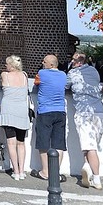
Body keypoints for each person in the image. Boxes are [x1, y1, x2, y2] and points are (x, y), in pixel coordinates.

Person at [66, 51, 103, 189]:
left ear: (77, 62)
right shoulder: (94, 71)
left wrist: (70, 70)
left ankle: (96, 177)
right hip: (99, 111)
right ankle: (87, 169)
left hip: (84, 113)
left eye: (73, 60)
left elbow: (65, 86)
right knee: (89, 145)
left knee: (90, 146)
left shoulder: (72, 74)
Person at [31, 53, 67, 182]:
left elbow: (35, 85)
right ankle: (55, 173)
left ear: (51, 64)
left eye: (45, 61)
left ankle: (45, 172)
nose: (42, 62)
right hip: (60, 111)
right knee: (59, 143)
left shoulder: (42, 73)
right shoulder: (63, 75)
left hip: (45, 111)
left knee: (43, 142)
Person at [0, 55, 30, 180]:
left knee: (11, 143)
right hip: (22, 112)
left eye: (7, 64)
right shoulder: (25, 76)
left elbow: (1, 84)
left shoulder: (4, 75)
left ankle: (15, 171)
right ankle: (22, 171)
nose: (5, 66)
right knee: (21, 143)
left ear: (11, 65)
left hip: (9, 112)